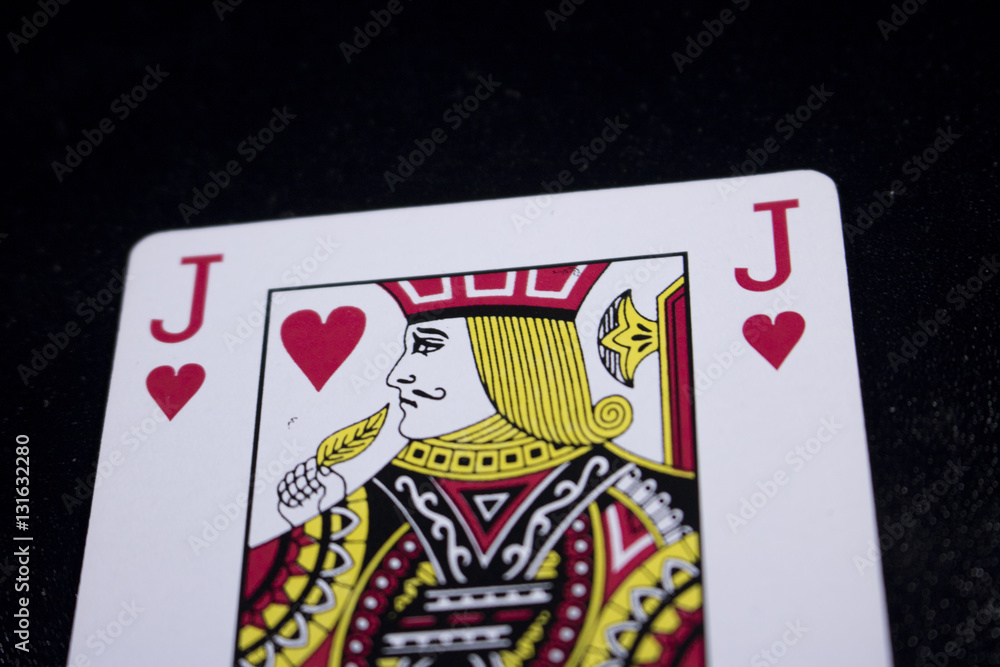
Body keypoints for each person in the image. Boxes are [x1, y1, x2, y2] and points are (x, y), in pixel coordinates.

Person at [236, 264, 703, 667]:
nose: (397, 374)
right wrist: (312, 516)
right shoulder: (348, 522)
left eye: (427, 346)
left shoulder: (645, 508)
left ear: (512, 359)